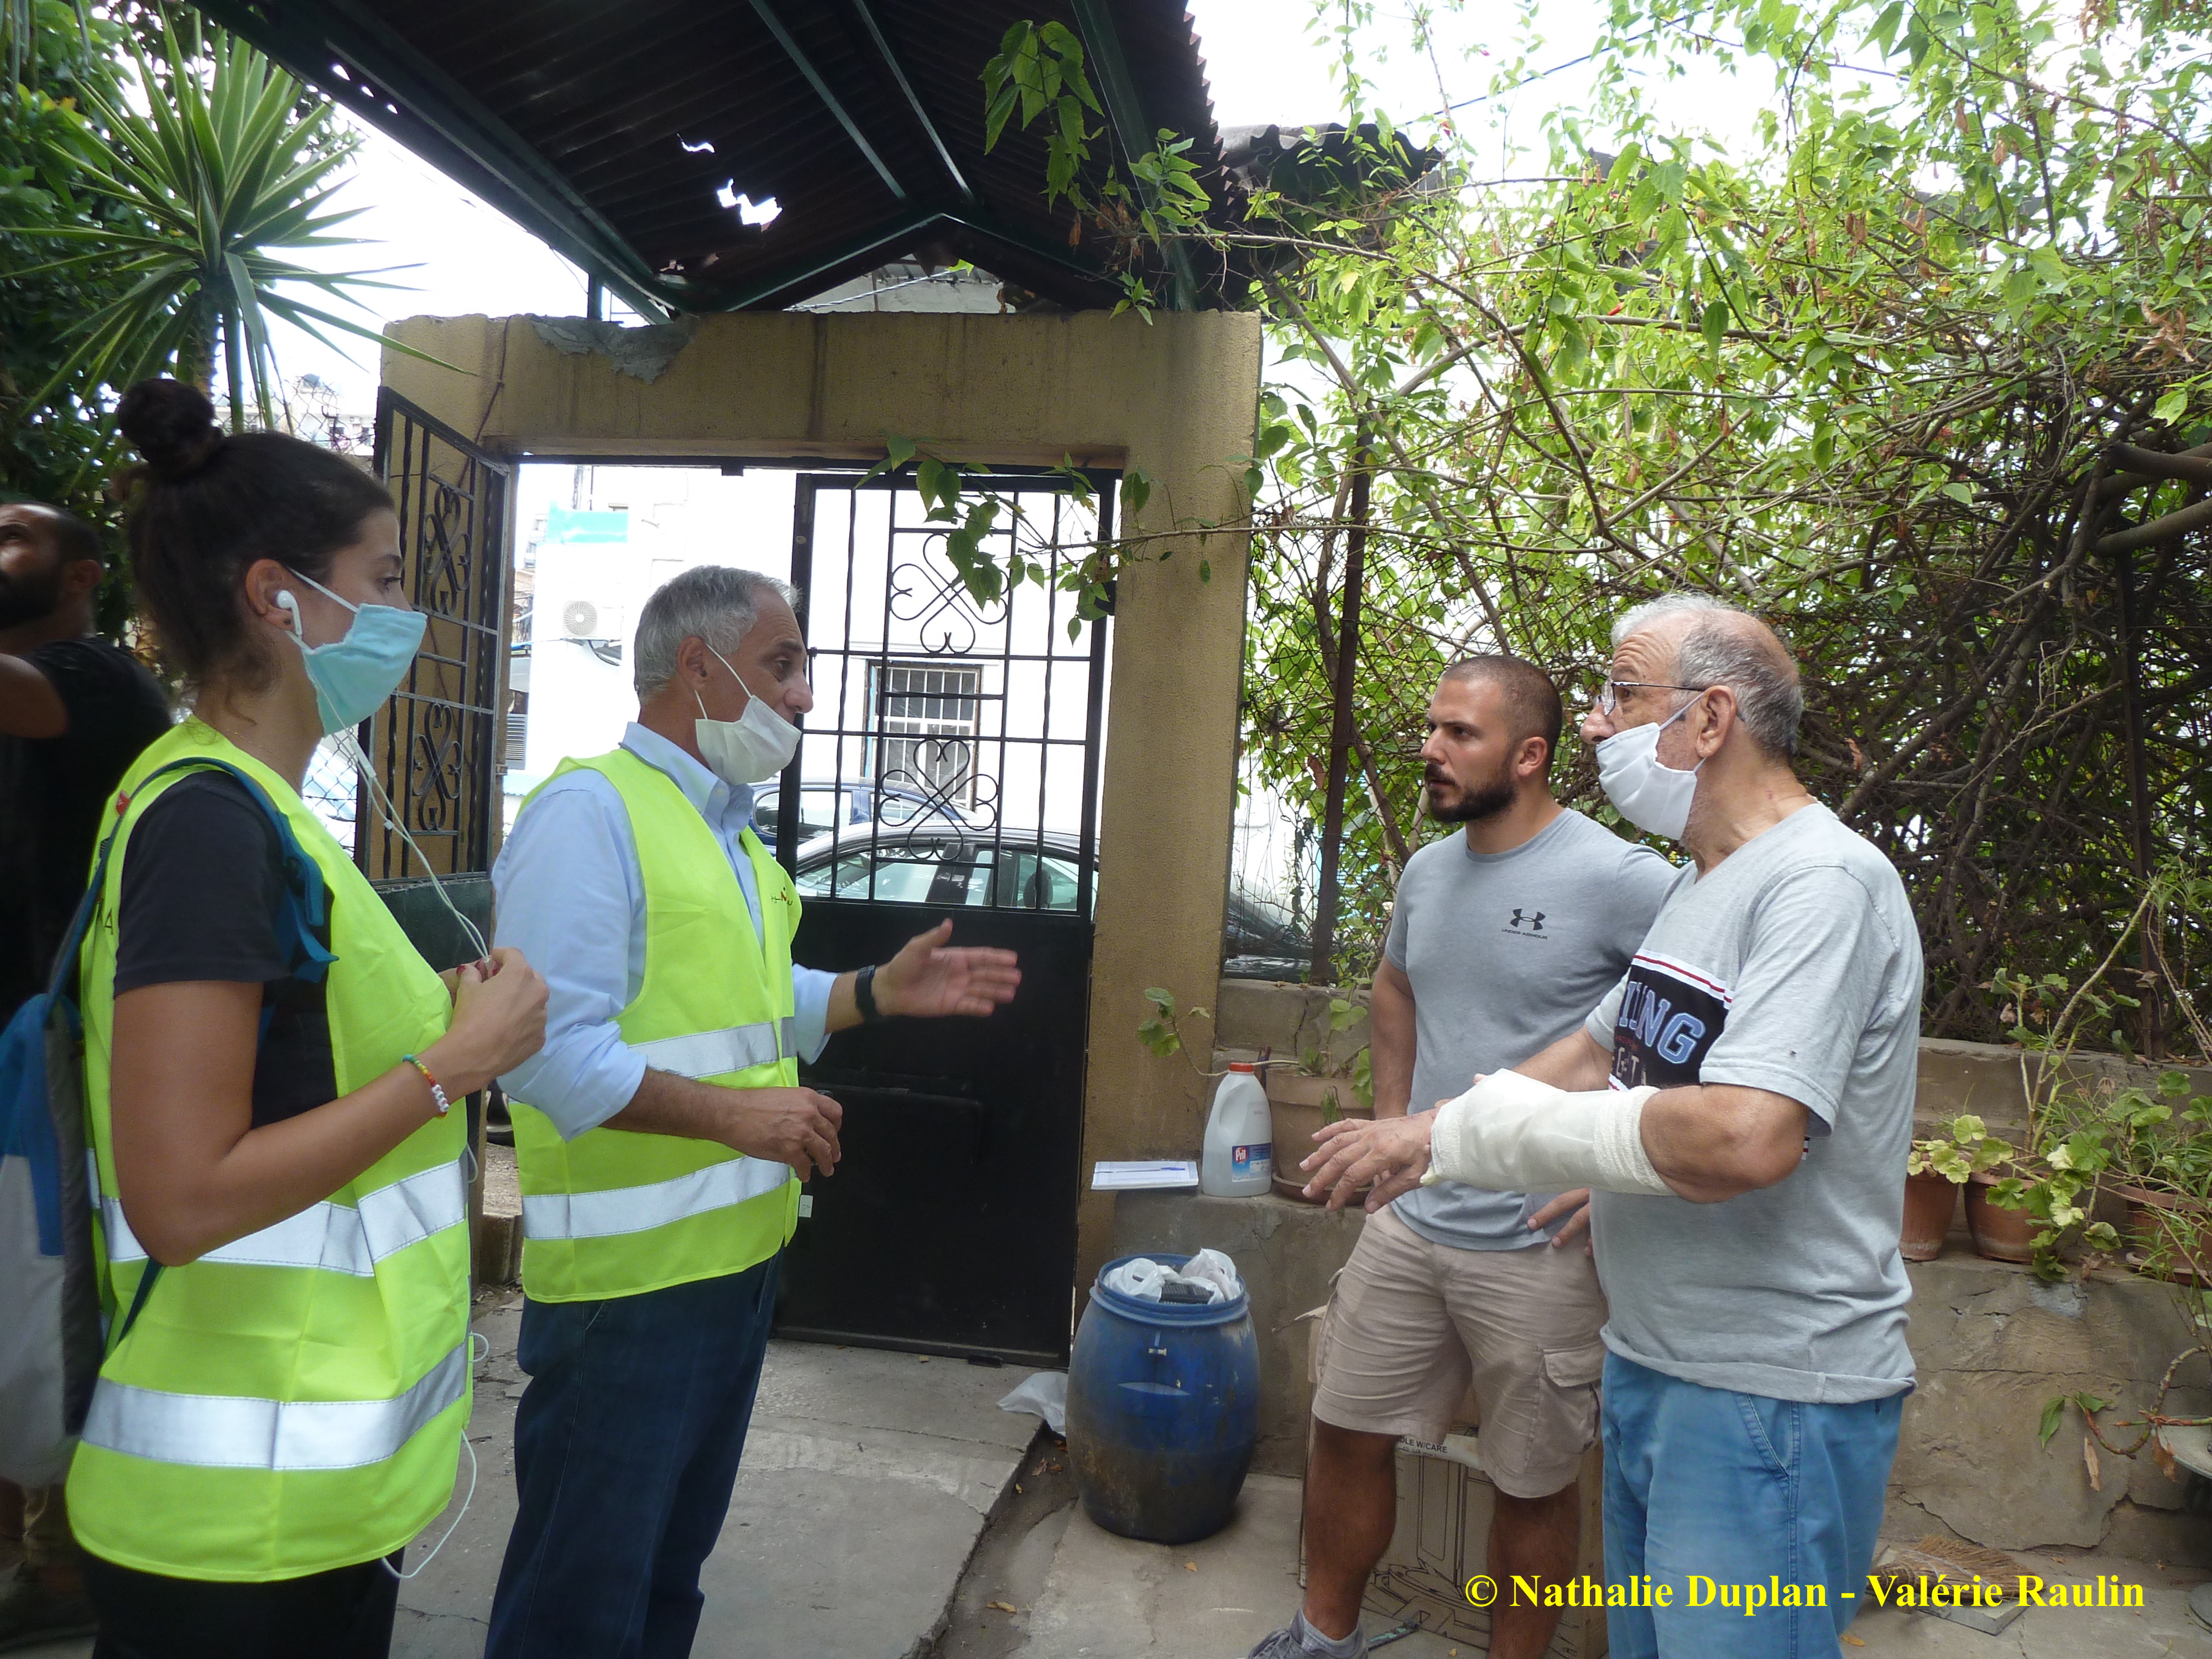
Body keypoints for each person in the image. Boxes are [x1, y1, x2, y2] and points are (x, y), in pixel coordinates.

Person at [1305, 593, 1923, 1659]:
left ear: (1710, 718)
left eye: (1624, 695)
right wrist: (1425, 1132)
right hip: (1658, 1357)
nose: (1597, 723)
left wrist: (1464, 1142)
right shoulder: (1705, 882)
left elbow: (1748, 1135)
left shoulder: (1822, 883)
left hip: (1767, 1389)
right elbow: (1597, 1052)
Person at [67, 379, 547, 1659]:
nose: (404, 616)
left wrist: (447, 1041)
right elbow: (181, 1199)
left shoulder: (265, 815)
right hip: (232, 1534)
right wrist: (451, 1067)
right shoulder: (208, 825)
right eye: (381, 581)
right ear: (278, 598)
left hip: (310, 1501)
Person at [484, 565, 1024, 1659]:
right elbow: (539, 1054)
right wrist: (737, 1120)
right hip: (626, 1296)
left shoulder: (726, 834)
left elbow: (751, 1003)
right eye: (782, 664)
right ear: (699, 666)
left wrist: (874, 992)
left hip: (729, 1273)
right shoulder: (589, 815)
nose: (804, 695)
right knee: (580, 1603)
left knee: (663, 1586)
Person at [1248, 657, 1673, 1659]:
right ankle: (1324, 1637)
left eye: (1460, 735)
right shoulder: (1429, 872)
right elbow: (1394, 987)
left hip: (1539, 1246)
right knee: (1344, 1430)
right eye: (1432, 728)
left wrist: (1612, 1164)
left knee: (1531, 1482)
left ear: (1529, 756)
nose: (1431, 750)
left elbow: (1693, 1021)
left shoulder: (1622, 879)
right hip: (1415, 1224)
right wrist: (1398, 1129)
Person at [0, 500, 171, 1651]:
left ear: (81, 576)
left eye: (14, 535)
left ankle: (65, 1563)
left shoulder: (98, 677)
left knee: (50, 1294)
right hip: (22, 1040)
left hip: (60, 1045)